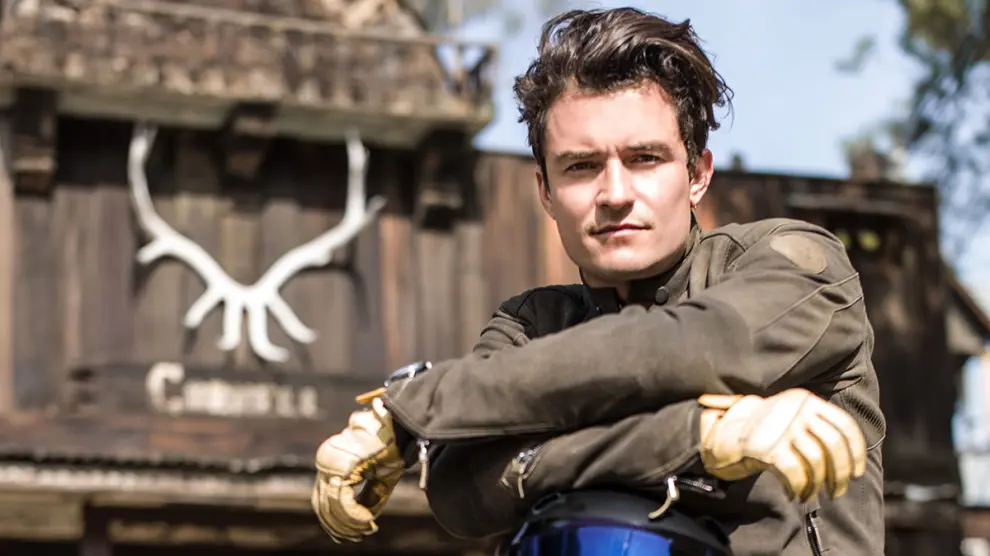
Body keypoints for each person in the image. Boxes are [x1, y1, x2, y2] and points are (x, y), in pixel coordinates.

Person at [309, 7, 886, 556]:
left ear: (697, 175)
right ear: (545, 191)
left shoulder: (797, 263)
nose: (614, 194)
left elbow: (696, 347)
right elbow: (462, 487)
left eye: (645, 159)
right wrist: (699, 438)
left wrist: (413, 405)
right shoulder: (530, 323)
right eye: (581, 166)